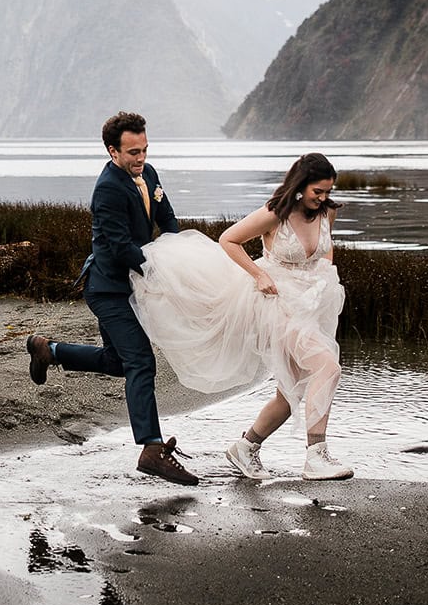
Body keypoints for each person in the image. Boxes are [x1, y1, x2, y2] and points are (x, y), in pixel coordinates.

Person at [127, 152, 354, 481]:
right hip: (271, 302)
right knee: (327, 366)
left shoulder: (326, 213)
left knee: (291, 391)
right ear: (300, 186)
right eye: (317, 191)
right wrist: (258, 275)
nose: (322, 198)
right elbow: (228, 239)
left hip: (307, 304)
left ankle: (246, 448)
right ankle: (316, 457)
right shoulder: (276, 213)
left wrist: (322, 287)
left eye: (327, 191)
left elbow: (324, 255)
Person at [25, 111, 199, 486]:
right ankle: (152, 449)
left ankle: (48, 351)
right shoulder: (107, 189)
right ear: (112, 151)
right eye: (133, 152)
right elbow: (120, 247)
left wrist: (180, 255)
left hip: (133, 285)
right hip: (107, 288)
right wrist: (158, 271)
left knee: (118, 362)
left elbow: (167, 220)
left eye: (145, 150)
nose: (141, 158)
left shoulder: (148, 176)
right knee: (141, 361)